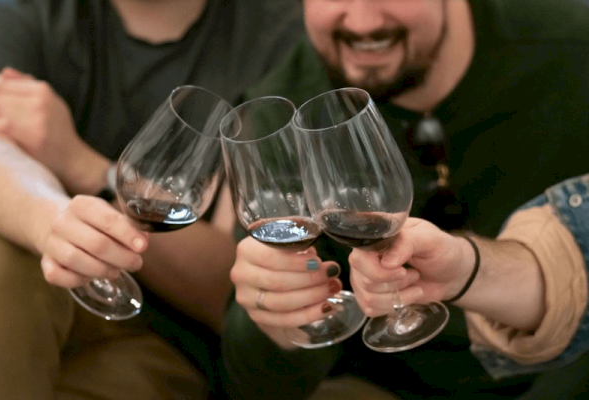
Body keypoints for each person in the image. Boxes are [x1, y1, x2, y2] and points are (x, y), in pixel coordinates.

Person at [220, 0, 589, 399]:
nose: (362, 21)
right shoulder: (280, 110)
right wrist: (280, 326)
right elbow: (258, 386)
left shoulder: (572, 47)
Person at [0, 0, 303, 398]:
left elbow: (227, 286)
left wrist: (84, 167)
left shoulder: (275, 36)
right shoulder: (29, 10)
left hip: (161, 334)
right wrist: (53, 220)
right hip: (39, 281)